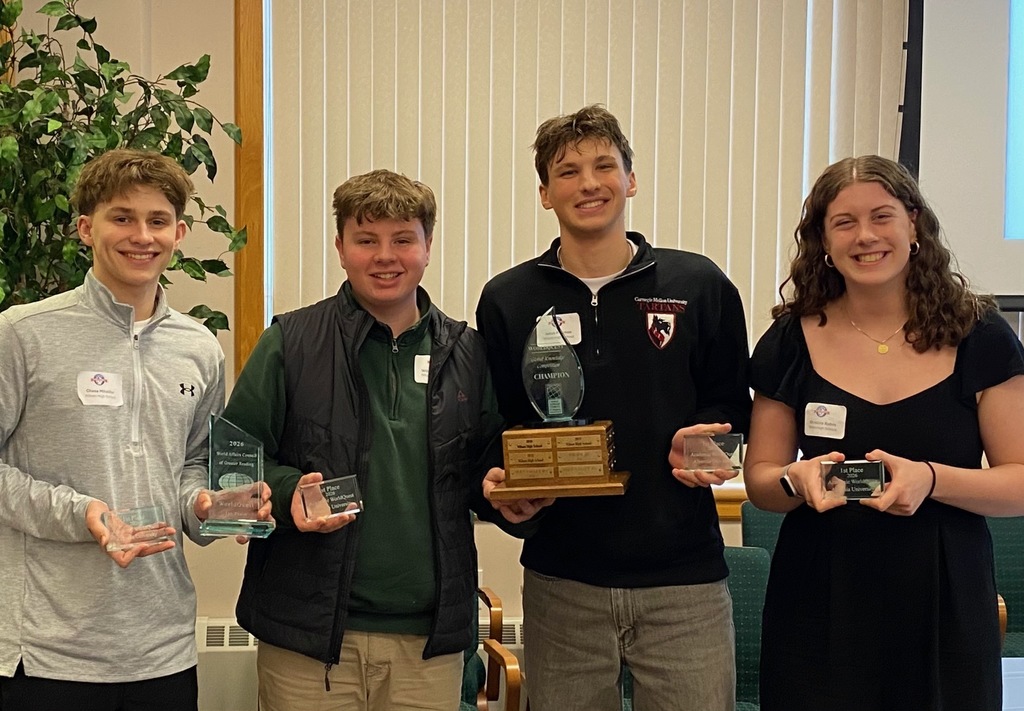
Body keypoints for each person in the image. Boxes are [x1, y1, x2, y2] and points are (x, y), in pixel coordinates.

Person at [475, 104, 752, 711]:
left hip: (685, 581)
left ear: (631, 179)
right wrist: (504, 492)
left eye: (605, 165)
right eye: (567, 171)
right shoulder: (507, 299)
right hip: (562, 581)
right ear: (545, 192)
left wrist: (712, 452)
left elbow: (734, 407)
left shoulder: (699, 284)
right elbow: (490, 429)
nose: (589, 182)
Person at [227, 169, 520, 711]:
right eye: (367, 240)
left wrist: (509, 494)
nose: (386, 256)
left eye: (403, 239)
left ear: (428, 246)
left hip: (428, 644)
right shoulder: (289, 342)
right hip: (308, 642)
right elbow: (234, 459)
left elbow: (485, 472)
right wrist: (289, 492)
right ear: (340, 248)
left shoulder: (469, 353)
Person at [743, 155, 1024, 710]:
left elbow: (1019, 483)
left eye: (882, 216)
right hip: (819, 593)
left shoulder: (981, 335)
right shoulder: (787, 341)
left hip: (945, 594)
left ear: (913, 224)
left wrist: (930, 478)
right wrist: (796, 481)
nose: (865, 236)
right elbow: (760, 481)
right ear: (822, 239)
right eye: (844, 222)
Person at [0, 149, 242, 710]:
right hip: (46, 652)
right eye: (121, 218)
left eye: (157, 221)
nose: (142, 236)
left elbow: (192, 467)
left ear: (179, 232)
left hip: (162, 648)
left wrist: (204, 506)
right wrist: (79, 512)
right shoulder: (22, 334)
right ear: (86, 228)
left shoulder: (199, 348)